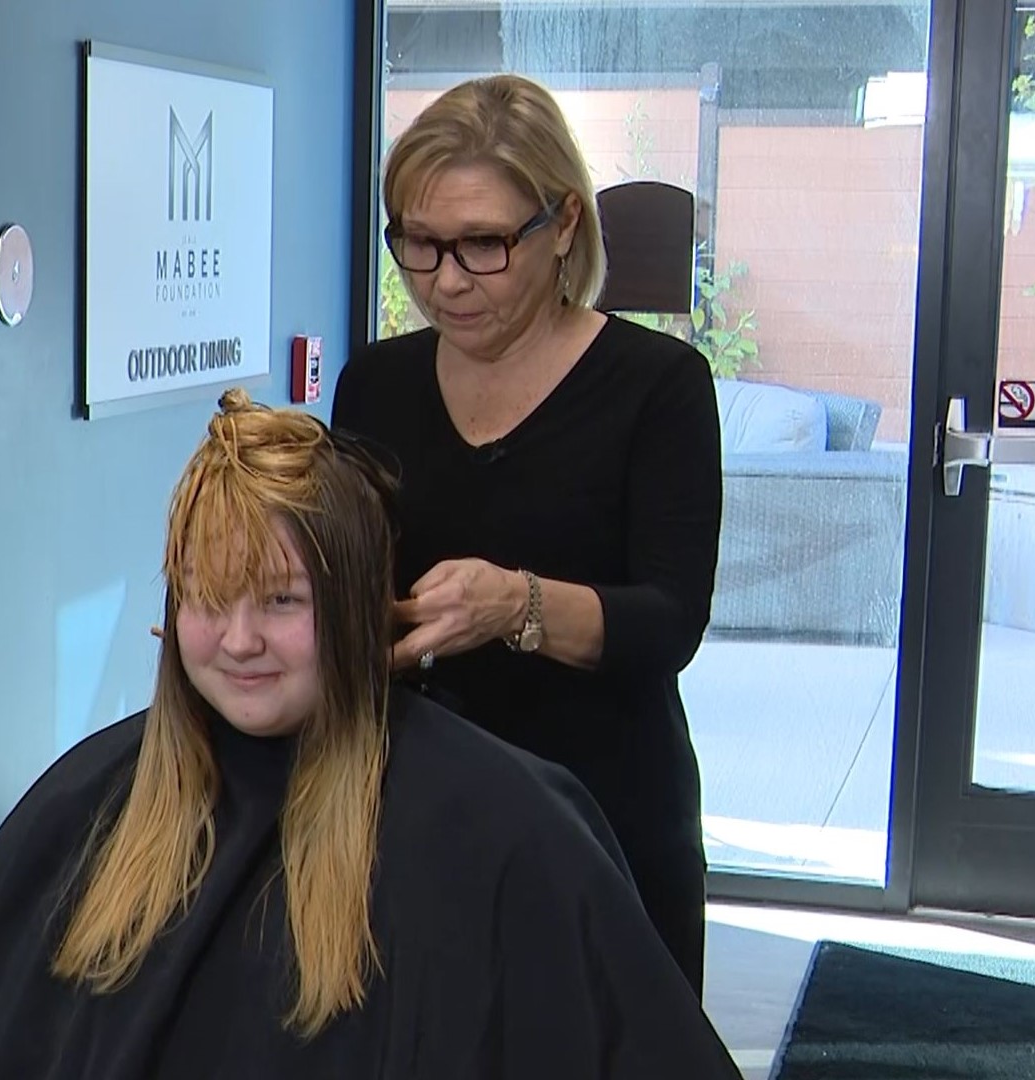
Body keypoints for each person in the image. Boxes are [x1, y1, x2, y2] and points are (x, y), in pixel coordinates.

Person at [0, 389, 739, 1078]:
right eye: (207, 597)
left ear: (352, 606)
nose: (238, 641)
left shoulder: (508, 831)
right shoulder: (78, 811)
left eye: (280, 601)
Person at [332, 73, 723, 996]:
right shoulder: (376, 385)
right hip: (413, 809)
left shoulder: (659, 386)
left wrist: (516, 605)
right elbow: (347, 573)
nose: (446, 281)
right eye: (418, 246)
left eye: (484, 245)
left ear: (566, 229)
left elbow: (668, 622)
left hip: (607, 817)